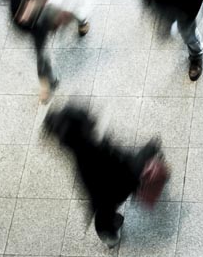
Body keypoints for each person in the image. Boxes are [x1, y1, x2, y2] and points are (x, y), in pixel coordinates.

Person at [44, 104, 169, 248]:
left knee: (104, 218)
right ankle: (156, 154)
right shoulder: (100, 149)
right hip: (122, 183)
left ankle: (110, 237)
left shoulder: (79, 156)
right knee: (149, 151)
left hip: (103, 199)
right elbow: (127, 163)